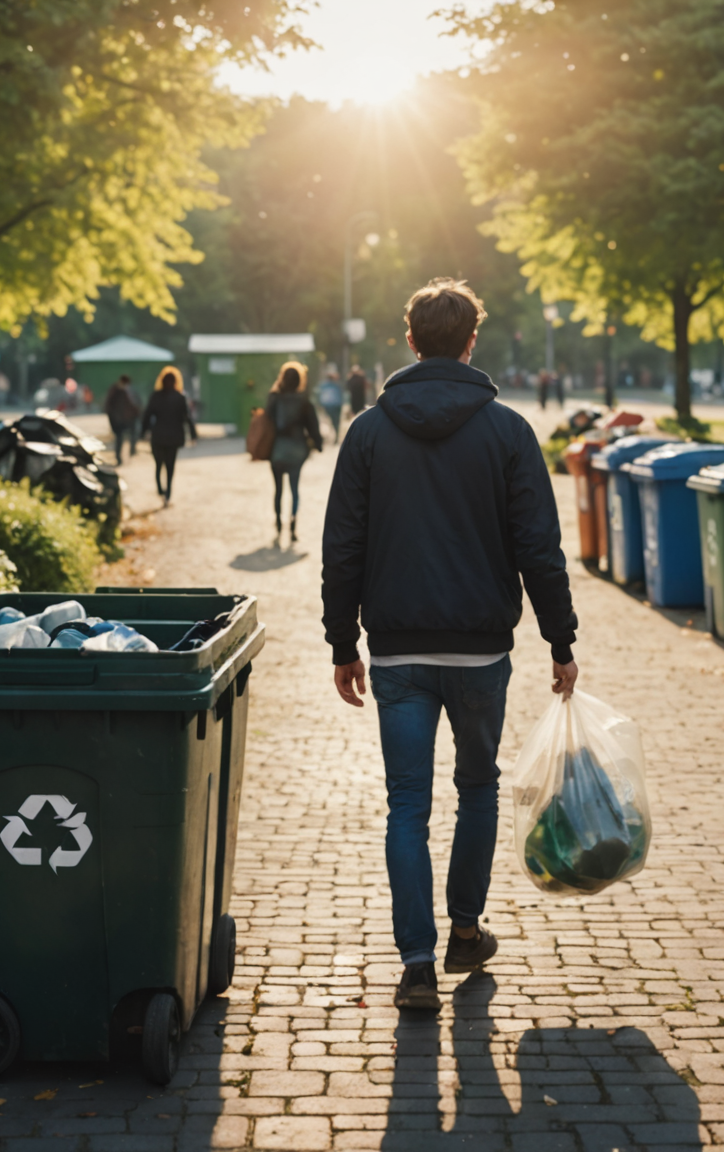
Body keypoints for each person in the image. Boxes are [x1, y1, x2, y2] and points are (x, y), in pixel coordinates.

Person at [322, 277, 579, 1013]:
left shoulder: (368, 432)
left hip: (398, 651)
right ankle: (465, 929)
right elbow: (539, 546)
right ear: (472, 342)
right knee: (478, 788)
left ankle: (416, 966)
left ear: (411, 341)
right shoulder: (507, 431)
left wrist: (344, 642)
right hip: (480, 652)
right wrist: (560, 638)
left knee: (407, 804)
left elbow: (342, 548)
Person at [266, 360, 325, 543]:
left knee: (278, 490)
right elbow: (313, 427)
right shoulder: (305, 401)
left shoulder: (274, 398)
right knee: (294, 489)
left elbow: (267, 422)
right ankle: (292, 524)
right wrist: (318, 443)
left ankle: (277, 521)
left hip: (277, 450)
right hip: (298, 450)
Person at [142, 366, 198, 504]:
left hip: (158, 436)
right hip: (174, 437)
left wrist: (143, 432)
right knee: (170, 466)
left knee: (158, 464)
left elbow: (147, 415)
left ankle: (161, 490)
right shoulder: (180, 397)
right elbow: (187, 418)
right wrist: (193, 434)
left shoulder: (156, 396)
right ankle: (167, 493)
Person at [104, 373, 141, 463]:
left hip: (122, 419)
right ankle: (118, 457)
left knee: (122, 437)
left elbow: (129, 405)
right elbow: (109, 406)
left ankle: (123, 454)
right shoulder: (117, 391)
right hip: (117, 420)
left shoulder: (122, 391)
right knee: (119, 438)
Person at [316, 367, 347, 439]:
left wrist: (319, 404)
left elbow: (319, 395)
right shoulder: (337, 385)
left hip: (328, 405)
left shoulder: (323, 385)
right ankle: (335, 434)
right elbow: (341, 394)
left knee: (331, 420)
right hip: (336, 405)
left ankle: (333, 434)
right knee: (336, 421)